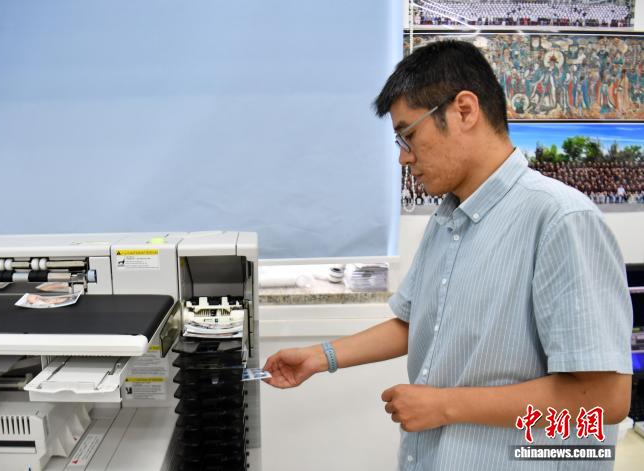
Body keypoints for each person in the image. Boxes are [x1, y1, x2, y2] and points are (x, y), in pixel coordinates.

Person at [263, 40, 633, 470]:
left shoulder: (560, 220)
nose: (404, 158)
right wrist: (320, 357)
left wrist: (444, 406)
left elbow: (606, 398)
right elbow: (418, 321)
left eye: (409, 135)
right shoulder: (449, 217)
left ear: (465, 111)